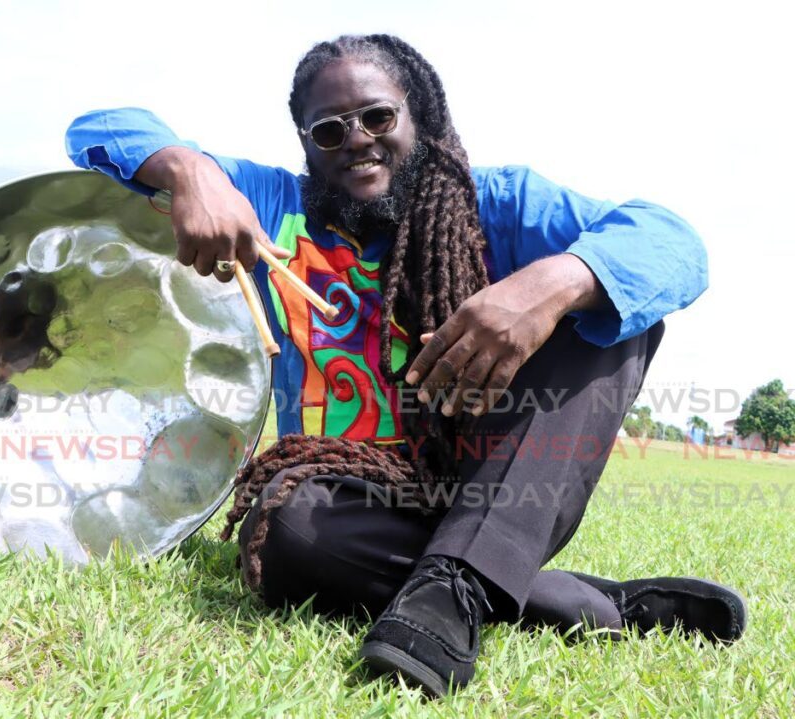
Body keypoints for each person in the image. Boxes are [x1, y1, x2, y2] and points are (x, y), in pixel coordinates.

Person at [65, 34, 747, 697]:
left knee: (613, 303)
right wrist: (191, 170)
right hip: (351, 497)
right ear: (305, 148)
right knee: (288, 530)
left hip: (484, 477)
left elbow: (674, 244)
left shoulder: (498, 204)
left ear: (420, 117)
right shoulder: (268, 206)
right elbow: (93, 129)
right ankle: (572, 600)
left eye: (378, 116)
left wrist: (549, 284)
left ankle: (460, 581)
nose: (357, 138)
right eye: (327, 131)